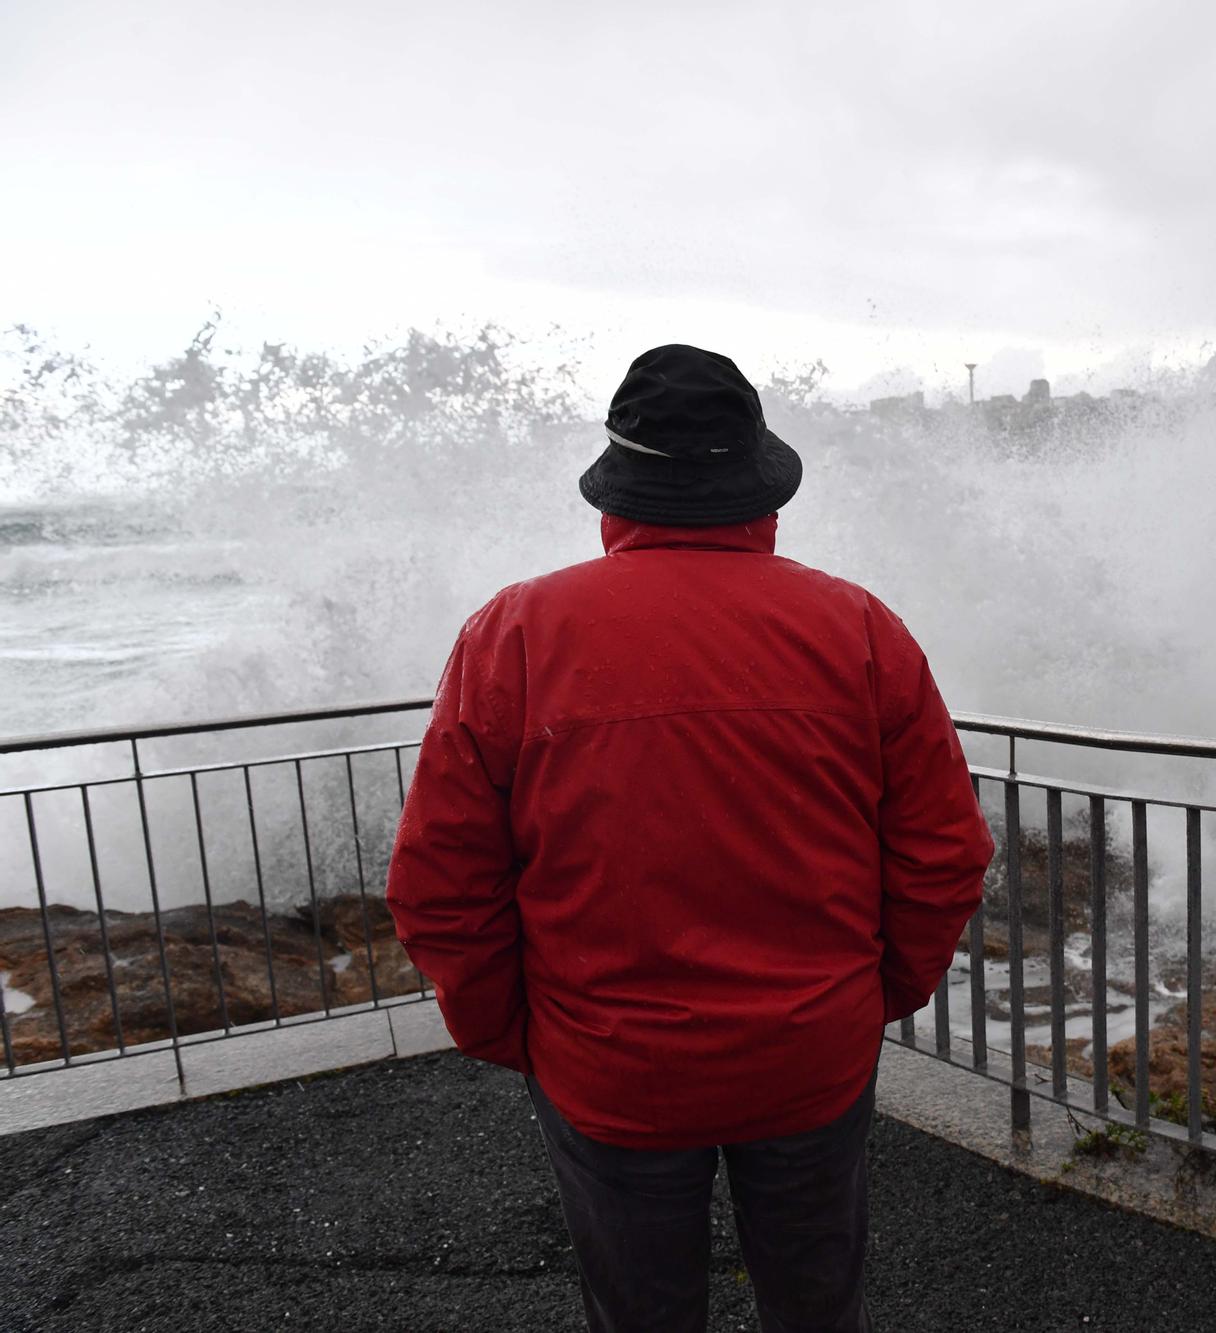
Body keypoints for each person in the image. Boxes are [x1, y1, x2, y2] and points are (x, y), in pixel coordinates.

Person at [384, 344, 994, 1333]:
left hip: (608, 1068)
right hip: (809, 1057)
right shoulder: (859, 629)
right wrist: (872, 994)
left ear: (615, 499)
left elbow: (439, 883)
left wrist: (516, 1030)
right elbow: (944, 851)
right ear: (760, 496)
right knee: (814, 1308)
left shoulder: (513, 634)